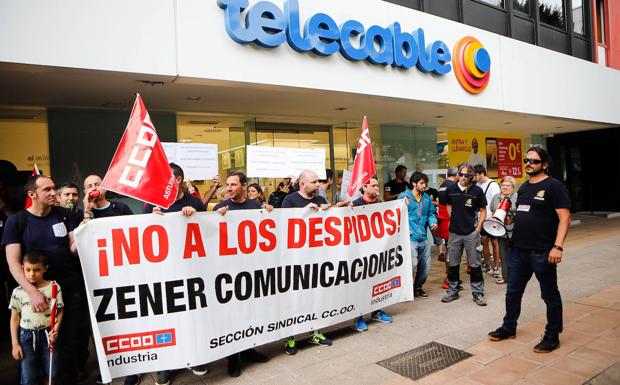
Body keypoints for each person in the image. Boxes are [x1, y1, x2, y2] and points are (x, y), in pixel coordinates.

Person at [2, 174, 85, 385]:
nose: (52, 193)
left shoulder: (65, 215)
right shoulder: (17, 221)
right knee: (33, 344)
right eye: (47, 189)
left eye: (53, 188)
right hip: (35, 292)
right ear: (32, 194)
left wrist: (86, 221)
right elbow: (13, 263)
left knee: (68, 342)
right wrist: (32, 292)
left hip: (68, 288)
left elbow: (74, 250)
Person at [488, 147, 570, 353]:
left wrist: (557, 246)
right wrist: (509, 218)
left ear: (544, 164)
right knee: (512, 292)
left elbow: (564, 218)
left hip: (543, 251)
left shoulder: (554, 186)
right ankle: (509, 328)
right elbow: (524, 213)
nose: (528, 163)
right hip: (519, 251)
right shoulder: (523, 188)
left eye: (533, 161)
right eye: (526, 160)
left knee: (549, 295)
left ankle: (553, 335)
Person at [144, 163, 207, 385]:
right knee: (166, 321)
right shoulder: (153, 203)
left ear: (177, 180)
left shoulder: (195, 202)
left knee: (191, 317)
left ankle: (195, 358)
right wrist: (150, 218)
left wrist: (195, 215)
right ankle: (166, 365)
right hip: (163, 273)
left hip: (191, 271)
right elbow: (139, 232)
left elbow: (208, 232)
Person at [213, 171, 271, 377]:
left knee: (249, 313)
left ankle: (247, 351)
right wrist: (216, 219)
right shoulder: (220, 208)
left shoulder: (255, 207)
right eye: (227, 185)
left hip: (250, 269)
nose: (228, 188)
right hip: (229, 272)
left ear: (244, 186)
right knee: (232, 316)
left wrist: (269, 212)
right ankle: (233, 358)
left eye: (233, 185)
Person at [81, 175, 137, 385]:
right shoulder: (83, 214)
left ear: (104, 187)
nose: (94, 188)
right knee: (103, 326)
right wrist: (87, 211)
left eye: (97, 184)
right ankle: (108, 369)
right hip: (98, 278)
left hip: (122, 275)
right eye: (89, 186)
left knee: (127, 321)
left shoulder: (120, 207)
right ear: (85, 191)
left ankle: (133, 370)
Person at [281, 170, 332, 354]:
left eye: (318, 181)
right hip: (296, 258)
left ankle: (314, 332)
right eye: (314, 181)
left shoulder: (320, 200)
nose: (318, 184)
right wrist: (304, 212)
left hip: (316, 257)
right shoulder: (290, 200)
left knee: (314, 296)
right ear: (303, 184)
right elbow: (284, 225)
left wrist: (329, 210)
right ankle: (291, 337)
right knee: (295, 298)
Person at [10, 250, 64, 385]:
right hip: (26, 337)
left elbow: (60, 311)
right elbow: (14, 319)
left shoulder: (54, 287)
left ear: (45, 269)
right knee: (29, 376)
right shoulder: (18, 292)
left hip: (48, 335)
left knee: (52, 373)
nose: (32, 274)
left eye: (37, 270)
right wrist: (15, 344)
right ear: (22, 268)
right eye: (28, 270)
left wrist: (55, 330)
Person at [442, 163, 488, 306]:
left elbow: (483, 210)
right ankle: (452, 291)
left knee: (475, 264)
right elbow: (447, 204)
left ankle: (478, 293)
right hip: (455, 233)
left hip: (471, 233)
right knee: (453, 264)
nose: (463, 178)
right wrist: (452, 218)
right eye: (461, 174)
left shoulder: (477, 191)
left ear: (472, 176)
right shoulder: (450, 189)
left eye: (466, 175)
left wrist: (478, 228)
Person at [351, 177, 393, 331]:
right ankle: (358, 317)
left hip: (378, 252)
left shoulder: (380, 204)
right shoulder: (355, 205)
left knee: (377, 283)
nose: (377, 188)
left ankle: (377, 311)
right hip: (360, 253)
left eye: (377, 185)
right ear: (364, 186)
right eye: (374, 185)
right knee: (360, 285)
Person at [398, 172, 438, 299]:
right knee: (412, 265)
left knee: (425, 267)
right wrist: (404, 228)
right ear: (414, 183)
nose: (424, 185)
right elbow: (396, 214)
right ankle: (407, 289)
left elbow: (431, 213)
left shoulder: (426, 198)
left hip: (424, 238)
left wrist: (433, 222)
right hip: (410, 238)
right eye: (421, 183)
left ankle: (418, 288)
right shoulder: (404, 197)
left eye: (425, 183)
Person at [489, 176, 518, 284]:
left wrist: (512, 217)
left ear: (513, 187)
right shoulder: (496, 197)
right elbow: (492, 211)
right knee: (503, 255)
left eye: (508, 185)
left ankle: (516, 277)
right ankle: (506, 277)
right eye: (503, 185)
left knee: (515, 255)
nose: (505, 187)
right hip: (500, 230)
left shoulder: (517, 196)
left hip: (515, 231)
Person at [474, 164, 500, 275]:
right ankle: (487, 264)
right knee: (484, 241)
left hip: (492, 218)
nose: (474, 177)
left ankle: (496, 267)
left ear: (481, 174)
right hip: (482, 218)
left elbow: (496, 202)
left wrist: (495, 217)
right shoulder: (477, 184)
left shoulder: (493, 185)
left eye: (475, 175)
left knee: (495, 242)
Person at [437, 168, 459, 289]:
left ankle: (450, 277)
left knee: (449, 248)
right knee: (453, 250)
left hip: (444, 220)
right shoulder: (454, 186)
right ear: (455, 175)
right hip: (450, 219)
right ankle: (450, 278)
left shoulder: (442, 185)